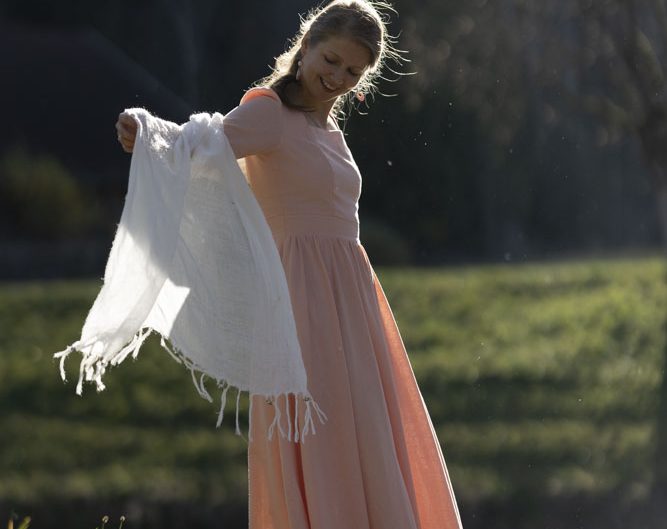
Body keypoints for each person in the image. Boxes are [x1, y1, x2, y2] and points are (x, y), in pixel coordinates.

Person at [115, 1, 463, 528]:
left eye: (353, 71)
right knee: (323, 432)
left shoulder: (329, 131)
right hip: (301, 300)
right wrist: (149, 134)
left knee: (366, 429)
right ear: (306, 48)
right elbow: (205, 143)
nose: (338, 77)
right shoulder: (269, 114)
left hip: (353, 302)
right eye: (331, 60)